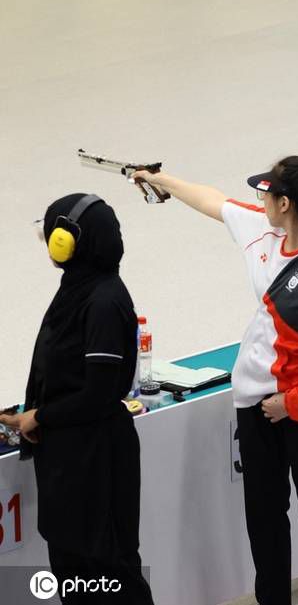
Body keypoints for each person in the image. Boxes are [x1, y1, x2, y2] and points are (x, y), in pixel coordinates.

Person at [132, 157, 298, 605]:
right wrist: (159, 180)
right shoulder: (262, 226)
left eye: (266, 193)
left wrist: (291, 404)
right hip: (255, 409)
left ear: (285, 203)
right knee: (264, 521)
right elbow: (213, 201)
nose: (259, 199)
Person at [0, 194, 154, 604]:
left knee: (110, 576)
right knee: (75, 576)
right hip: (71, 461)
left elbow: (99, 394)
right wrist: (30, 414)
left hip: (95, 463)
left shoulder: (103, 301)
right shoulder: (78, 287)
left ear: (68, 243)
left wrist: (42, 416)